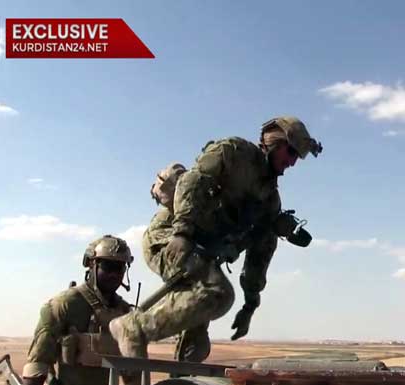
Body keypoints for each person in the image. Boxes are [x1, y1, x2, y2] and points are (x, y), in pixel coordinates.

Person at [110, 117, 322, 362]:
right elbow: (192, 182)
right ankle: (134, 328)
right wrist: (182, 232)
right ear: (275, 141)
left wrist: (250, 306)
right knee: (219, 293)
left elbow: (260, 256)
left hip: (200, 256)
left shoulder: (269, 200)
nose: (292, 162)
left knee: (195, 347)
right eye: (291, 152)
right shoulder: (234, 152)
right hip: (169, 239)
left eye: (297, 157)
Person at [17, 235, 138, 385]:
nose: (114, 274)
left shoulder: (125, 313)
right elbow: (38, 363)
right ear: (92, 264)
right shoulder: (65, 305)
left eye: (120, 268)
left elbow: (133, 375)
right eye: (108, 266)